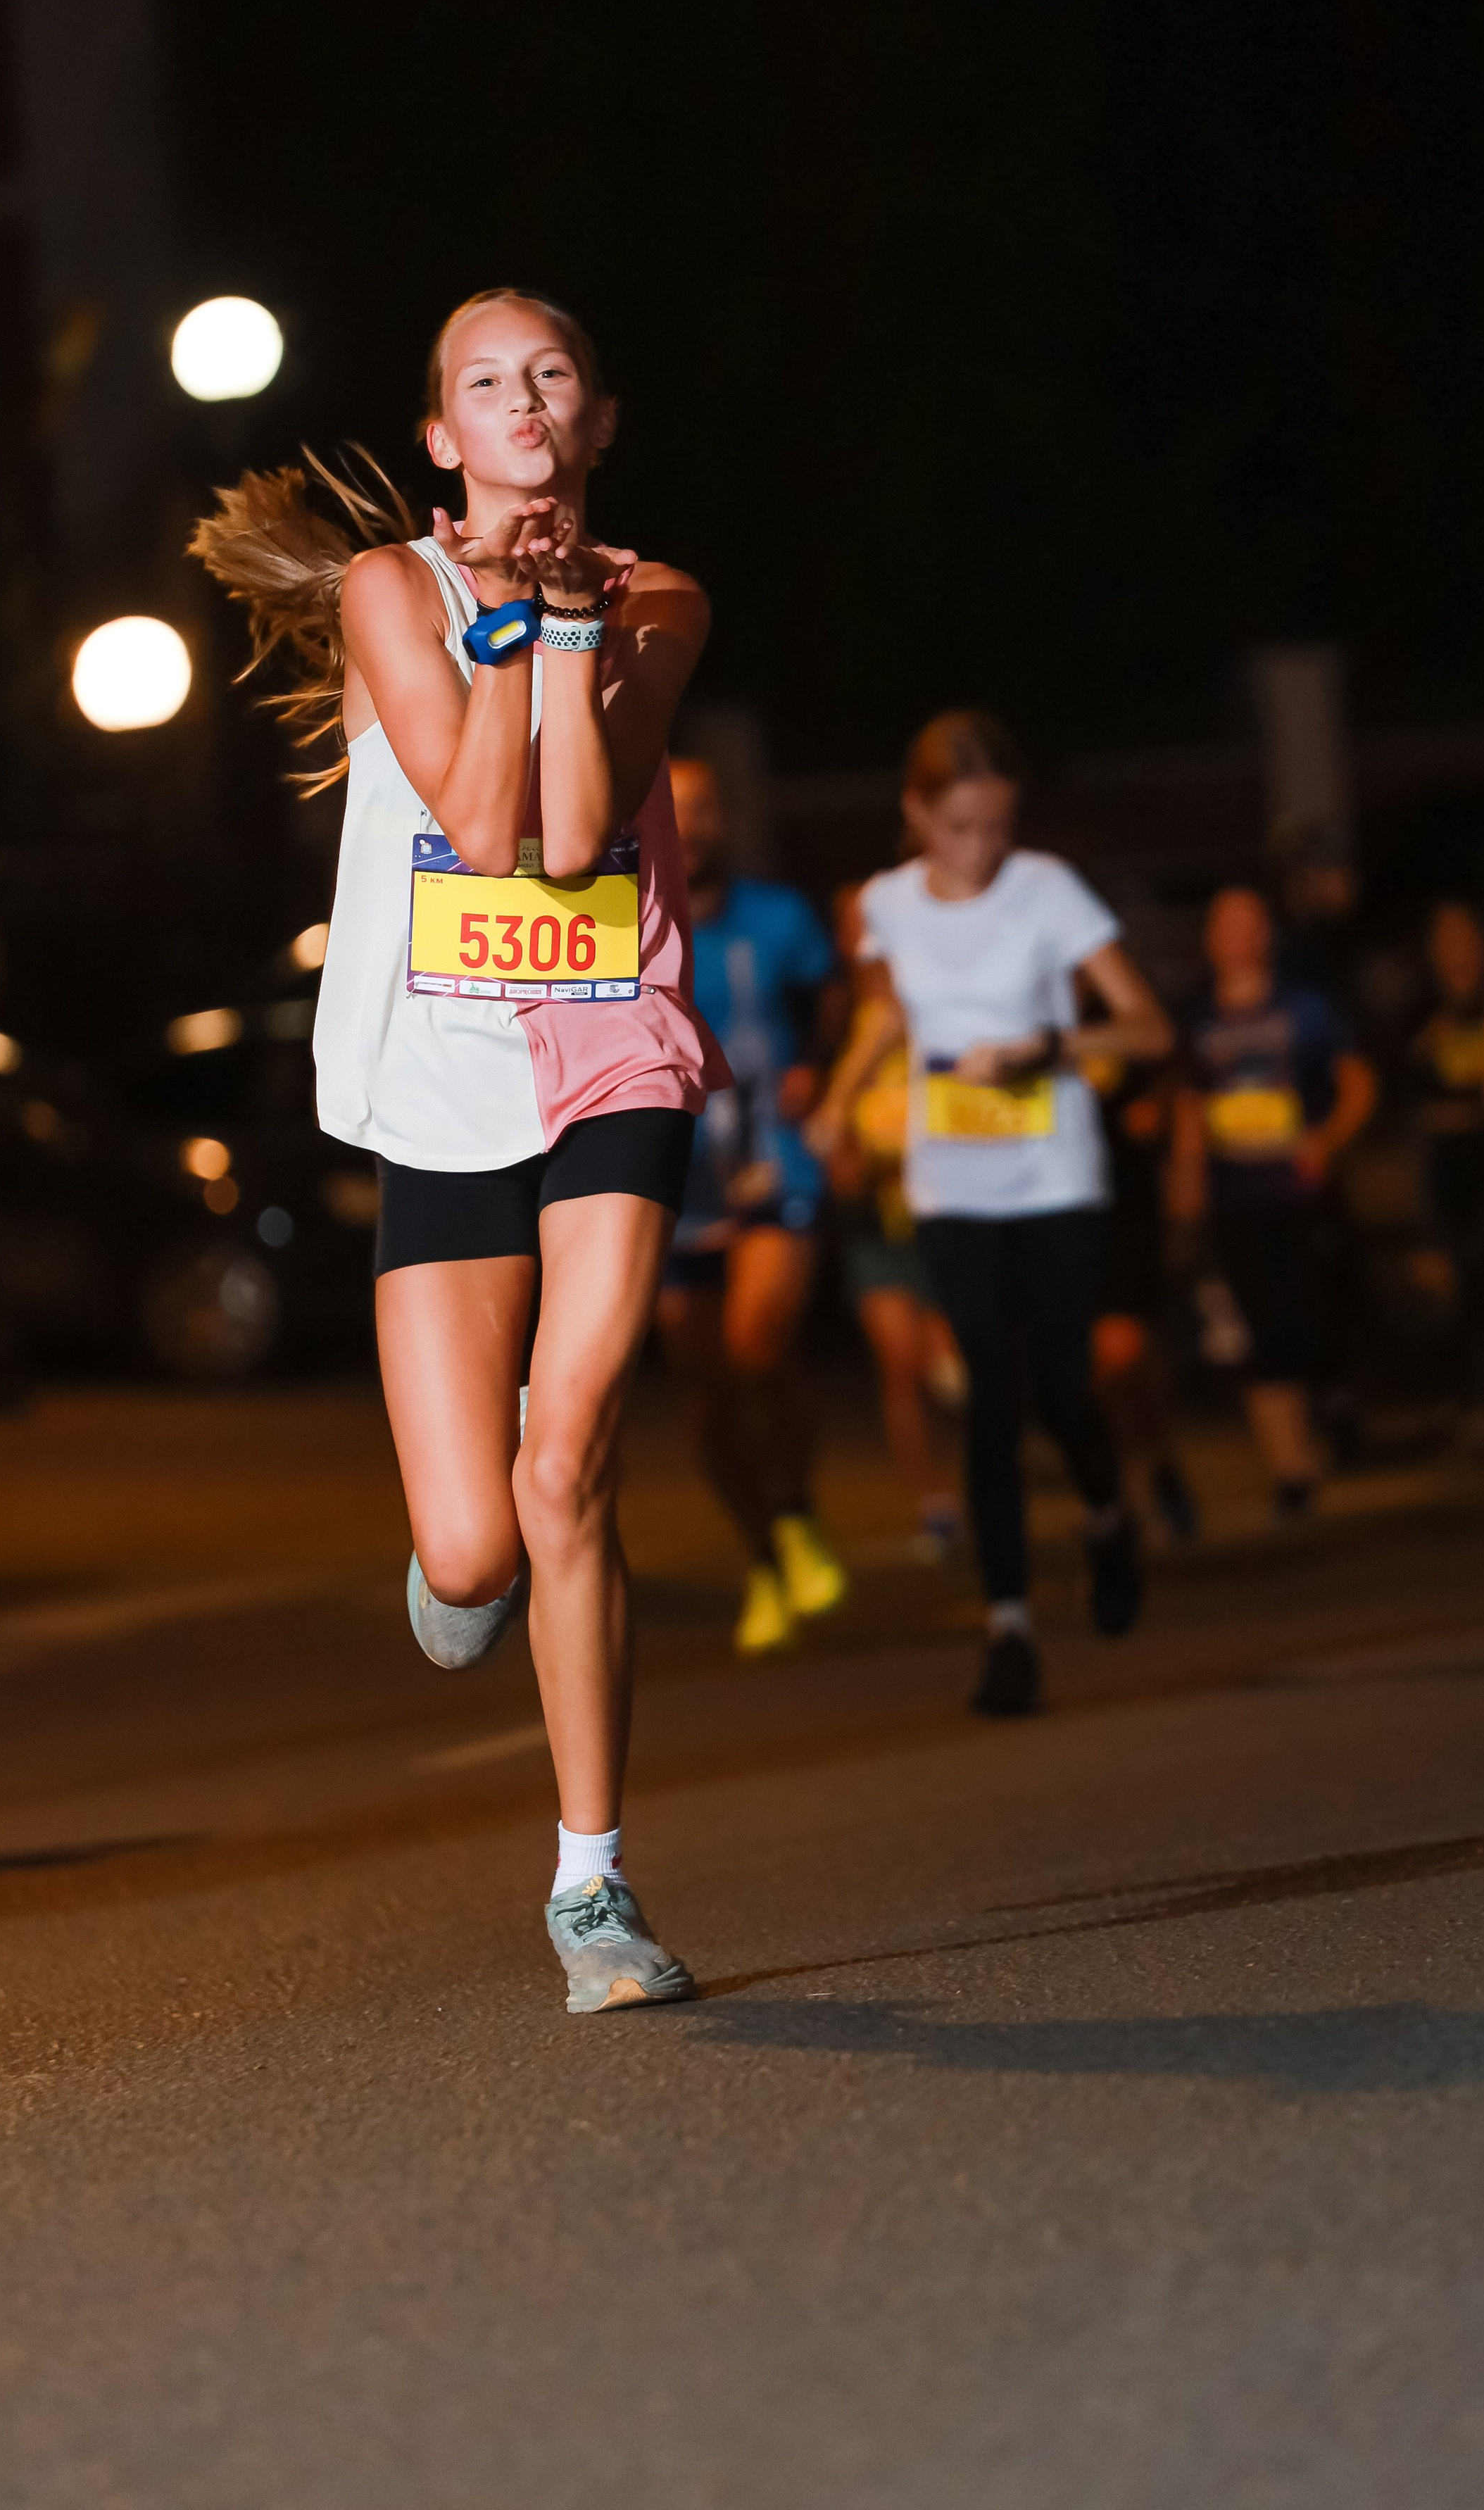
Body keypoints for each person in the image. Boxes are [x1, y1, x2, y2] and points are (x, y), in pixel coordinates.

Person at [194, 287, 724, 2014]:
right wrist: (505, 632)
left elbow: (570, 841)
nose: (524, 401)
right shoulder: (385, 593)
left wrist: (573, 631)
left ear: (596, 420)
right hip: (441, 1085)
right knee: (479, 1548)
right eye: (487, 382)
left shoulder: (660, 602)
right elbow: (479, 824)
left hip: (609, 1060)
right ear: (443, 435)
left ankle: (591, 1885)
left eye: (552, 375)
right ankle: (464, 1546)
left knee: (566, 1469)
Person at [807, 711, 1173, 1718]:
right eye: (960, 827)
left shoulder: (1047, 889)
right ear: (918, 813)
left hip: (1054, 1176)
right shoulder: (885, 902)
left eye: (998, 826)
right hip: (952, 1183)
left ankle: (1105, 1512)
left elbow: (1146, 1027)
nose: (981, 848)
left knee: (1062, 1389)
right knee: (987, 1394)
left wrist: (1043, 1049)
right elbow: (889, 1011)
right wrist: (839, 1102)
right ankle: (1008, 1626)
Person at [654, 760, 850, 1655]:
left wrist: (817, 1061)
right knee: (705, 1387)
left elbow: (835, 993)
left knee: (756, 1340)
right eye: (670, 808)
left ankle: (798, 1509)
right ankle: (764, 1559)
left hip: (773, 1158)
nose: (688, 825)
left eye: (701, 808)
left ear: (724, 821)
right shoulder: (623, 915)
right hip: (674, 1174)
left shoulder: (779, 917)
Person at [1168, 886, 1378, 1517]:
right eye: (1226, 926)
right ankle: (1291, 1469)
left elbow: (1358, 1082)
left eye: (1251, 924)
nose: (1239, 937)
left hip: (1303, 1194)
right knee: (1258, 1330)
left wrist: (1329, 1140)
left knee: (1317, 1318)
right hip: (1237, 1196)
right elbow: (1190, 1109)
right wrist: (1186, 1192)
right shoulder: (1198, 1017)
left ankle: (1336, 1410)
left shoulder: (1305, 1006)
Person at [824, 883, 964, 1562]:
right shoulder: (836, 1017)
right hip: (873, 1219)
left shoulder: (937, 997)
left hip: (943, 1209)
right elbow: (823, 1117)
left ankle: (981, 1481)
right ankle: (935, 1503)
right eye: (851, 925)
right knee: (900, 1366)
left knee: (955, 1372)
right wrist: (845, 1154)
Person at [1408, 901, 1484, 1440]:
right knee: (1447, 1279)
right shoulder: (1421, 1009)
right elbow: (1403, 1083)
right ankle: (1459, 1394)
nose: (1457, 949)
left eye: (1466, 936)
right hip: (1441, 1155)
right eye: (1445, 938)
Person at [1083, 1040, 1200, 1543]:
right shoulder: (1019, 1015)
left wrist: (1186, 1178)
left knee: (1122, 1351)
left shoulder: (1119, 1014)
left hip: (1126, 1208)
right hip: (1052, 1210)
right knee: (1088, 1366)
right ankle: (1133, 1481)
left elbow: (1175, 1071)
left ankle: (1147, 1471)